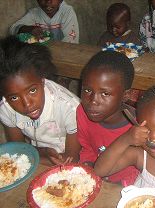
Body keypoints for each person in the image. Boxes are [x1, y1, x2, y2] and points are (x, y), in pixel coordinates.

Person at [0, 36, 80, 165]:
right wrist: (43, 152)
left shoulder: (70, 108)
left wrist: (35, 155)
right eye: (14, 97)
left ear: (42, 80)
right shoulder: (6, 108)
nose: (27, 104)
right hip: (41, 153)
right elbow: (18, 149)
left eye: (32, 91)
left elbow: (71, 161)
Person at [77, 50, 140, 186]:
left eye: (105, 93)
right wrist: (88, 165)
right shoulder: (82, 112)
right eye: (87, 90)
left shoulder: (137, 126)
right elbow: (87, 148)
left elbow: (142, 165)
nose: (93, 101)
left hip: (129, 184)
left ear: (125, 95)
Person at [9, 0, 79, 43]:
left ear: (61, 0)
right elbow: (13, 29)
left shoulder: (67, 12)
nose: (48, 1)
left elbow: (71, 41)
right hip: (41, 57)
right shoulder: (34, 13)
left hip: (63, 55)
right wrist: (29, 29)